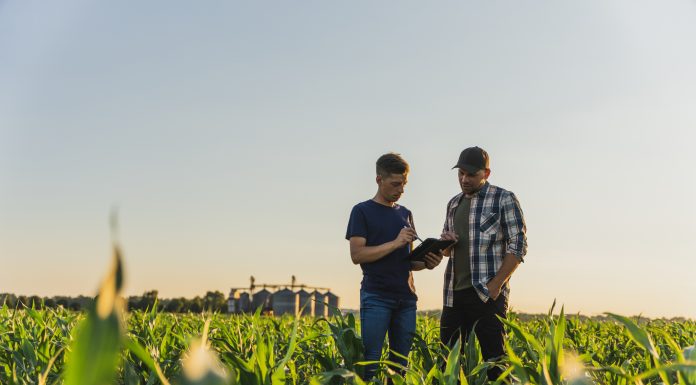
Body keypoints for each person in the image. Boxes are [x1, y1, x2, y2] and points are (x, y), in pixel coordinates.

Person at [346, 152, 443, 381]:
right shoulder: (361, 211)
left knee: (400, 365)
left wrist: (428, 263)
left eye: (404, 184)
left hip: (406, 299)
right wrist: (396, 242)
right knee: (371, 362)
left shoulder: (405, 213)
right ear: (379, 180)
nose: (401, 189)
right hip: (376, 296)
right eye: (395, 184)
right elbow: (357, 254)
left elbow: (408, 261)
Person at [438, 146, 527, 381]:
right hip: (453, 295)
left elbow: (517, 246)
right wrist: (445, 244)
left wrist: (496, 285)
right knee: (448, 364)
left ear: (486, 173)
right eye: (460, 174)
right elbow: (447, 251)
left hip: (487, 295)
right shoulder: (453, 204)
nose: (464, 179)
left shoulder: (504, 198)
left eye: (470, 174)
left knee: (496, 364)